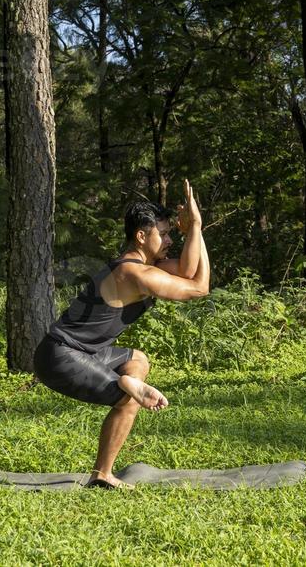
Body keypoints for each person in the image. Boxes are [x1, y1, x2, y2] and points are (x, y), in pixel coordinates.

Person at [33, 179, 210, 490]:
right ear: (142, 236)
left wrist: (196, 228)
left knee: (137, 361)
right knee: (129, 398)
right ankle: (104, 470)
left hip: (84, 352)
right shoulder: (134, 272)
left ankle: (104, 470)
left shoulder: (143, 265)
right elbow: (198, 287)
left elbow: (189, 272)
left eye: (170, 233)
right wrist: (194, 226)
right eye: (164, 234)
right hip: (60, 356)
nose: (169, 240)